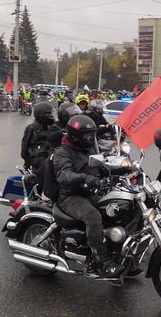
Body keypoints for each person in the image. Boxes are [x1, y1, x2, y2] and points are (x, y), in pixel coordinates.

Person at [53, 115, 125, 278]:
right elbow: (65, 175)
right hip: (70, 196)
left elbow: (101, 165)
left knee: (117, 208)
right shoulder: (62, 153)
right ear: (75, 135)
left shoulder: (89, 149)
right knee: (93, 216)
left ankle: (120, 254)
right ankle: (102, 262)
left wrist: (123, 169)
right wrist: (85, 178)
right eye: (86, 135)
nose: (90, 138)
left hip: (90, 192)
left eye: (91, 134)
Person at [20, 102, 60, 171]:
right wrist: (27, 162)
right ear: (40, 114)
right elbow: (24, 147)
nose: (50, 115)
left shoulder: (53, 127)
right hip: (38, 160)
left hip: (53, 156)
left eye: (51, 113)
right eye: (48, 113)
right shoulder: (31, 128)